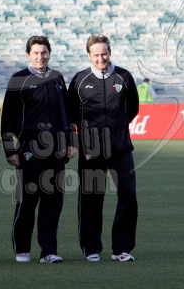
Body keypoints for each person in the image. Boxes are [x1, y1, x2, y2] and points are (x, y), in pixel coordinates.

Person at [2, 35, 77, 264]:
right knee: (28, 199)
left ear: (49, 54)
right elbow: (7, 117)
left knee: (53, 201)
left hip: (56, 149)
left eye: (44, 52)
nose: (40, 56)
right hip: (29, 148)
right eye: (35, 53)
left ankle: (48, 251)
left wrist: (71, 141)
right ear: (28, 55)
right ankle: (22, 249)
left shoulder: (57, 78)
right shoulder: (19, 79)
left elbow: (66, 112)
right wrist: (10, 150)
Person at [68, 34, 139, 263]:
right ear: (89, 55)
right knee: (91, 198)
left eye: (104, 53)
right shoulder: (80, 80)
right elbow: (71, 112)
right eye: (96, 54)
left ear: (110, 52)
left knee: (128, 195)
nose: (101, 58)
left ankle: (122, 248)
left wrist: (117, 129)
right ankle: (91, 248)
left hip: (120, 149)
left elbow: (132, 108)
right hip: (91, 151)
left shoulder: (124, 77)